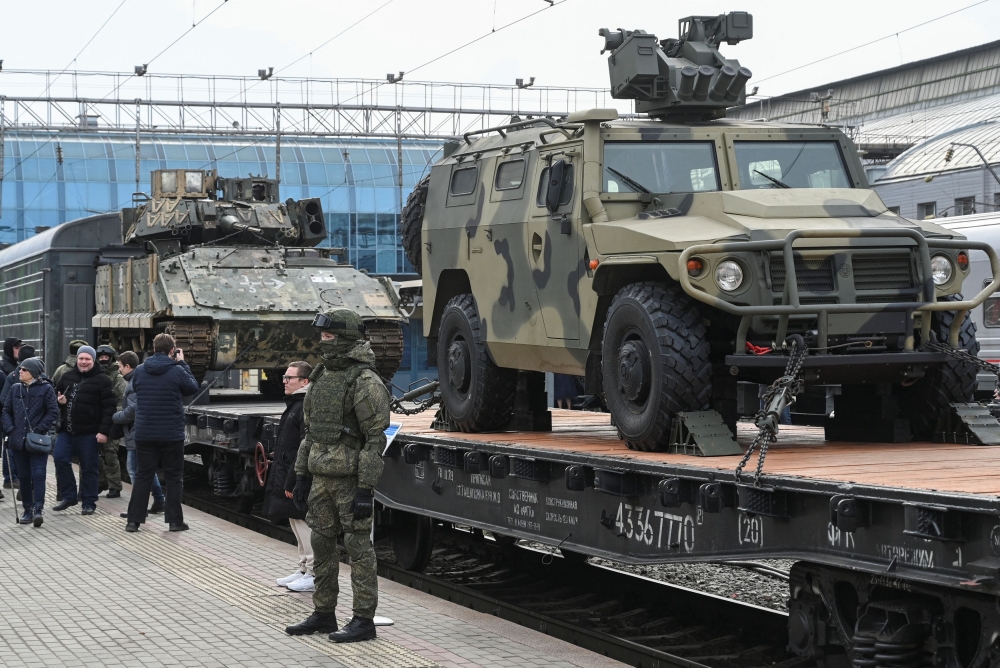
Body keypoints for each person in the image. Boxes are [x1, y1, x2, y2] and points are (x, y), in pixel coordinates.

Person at [285, 309, 390, 643]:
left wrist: (365, 489)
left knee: (358, 548)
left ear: (346, 338)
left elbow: (375, 440)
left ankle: (363, 620)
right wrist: (301, 474)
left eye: (329, 336)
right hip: (320, 478)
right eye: (322, 336)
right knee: (321, 544)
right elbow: (311, 431)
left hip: (349, 480)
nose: (323, 341)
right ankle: (323, 613)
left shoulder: (365, 381)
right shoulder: (321, 375)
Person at [124, 333, 199, 533]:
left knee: (143, 476)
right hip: (171, 434)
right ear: (172, 350)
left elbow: (136, 388)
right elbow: (192, 388)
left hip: (145, 433)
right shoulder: (177, 370)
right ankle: (175, 522)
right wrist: (182, 363)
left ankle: (133, 522)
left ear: (154, 348)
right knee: (174, 477)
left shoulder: (140, 370)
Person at [263, 361, 314, 592]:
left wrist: (295, 477)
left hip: (298, 474)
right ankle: (303, 568)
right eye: (285, 377)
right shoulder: (296, 404)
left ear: (305, 381)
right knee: (294, 519)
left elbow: (306, 445)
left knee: (304, 521)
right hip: (288, 471)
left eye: (289, 378)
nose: (284, 381)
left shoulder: (305, 406)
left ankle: (313, 573)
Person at [53, 345, 117, 514]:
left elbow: (109, 408)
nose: (83, 362)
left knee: (89, 468)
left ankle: (89, 502)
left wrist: (104, 431)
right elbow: (54, 396)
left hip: (89, 433)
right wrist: (59, 401)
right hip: (67, 431)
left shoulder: (103, 380)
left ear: (93, 360)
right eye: (81, 358)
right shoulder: (67, 376)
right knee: (59, 459)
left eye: (87, 359)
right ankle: (69, 496)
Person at [2, 357, 59, 527]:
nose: (20, 371)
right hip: (18, 441)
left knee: (39, 474)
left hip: (37, 441)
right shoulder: (15, 388)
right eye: (20, 368)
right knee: (24, 476)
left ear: (33, 372)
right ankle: (27, 509)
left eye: (24, 369)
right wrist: (10, 429)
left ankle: (38, 509)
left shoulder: (46, 389)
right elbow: (6, 411)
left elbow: (52, 412)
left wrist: (40, 429)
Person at [113, 352, 165, 517]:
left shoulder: (135, 382)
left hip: (136, 433)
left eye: (120, 366)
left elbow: (133, 410)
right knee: (146, 470)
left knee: (135, 470)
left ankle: (138, 508)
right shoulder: (136, 380)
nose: (119, 370)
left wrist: (116, 417)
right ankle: (159, 500)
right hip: (137, 432)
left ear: (128, 366)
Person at [0, 342, 31, 493]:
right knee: (11, 448)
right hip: (11, 419)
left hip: (20, 420)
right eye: (16, 347)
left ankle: (20, 481)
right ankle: (11, 478)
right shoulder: (8, 372)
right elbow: (4, 398)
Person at [96, 345, 125, 499]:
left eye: (106, 357)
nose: (103, 360)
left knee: (110, 454)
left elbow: (123, 399)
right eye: (100, 357)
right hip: (94, 420)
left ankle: (114, 486)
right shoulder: (92, 374)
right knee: (91, 454)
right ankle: (99, 483)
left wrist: (112, 413)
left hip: (111, 421)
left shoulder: (117, 377)